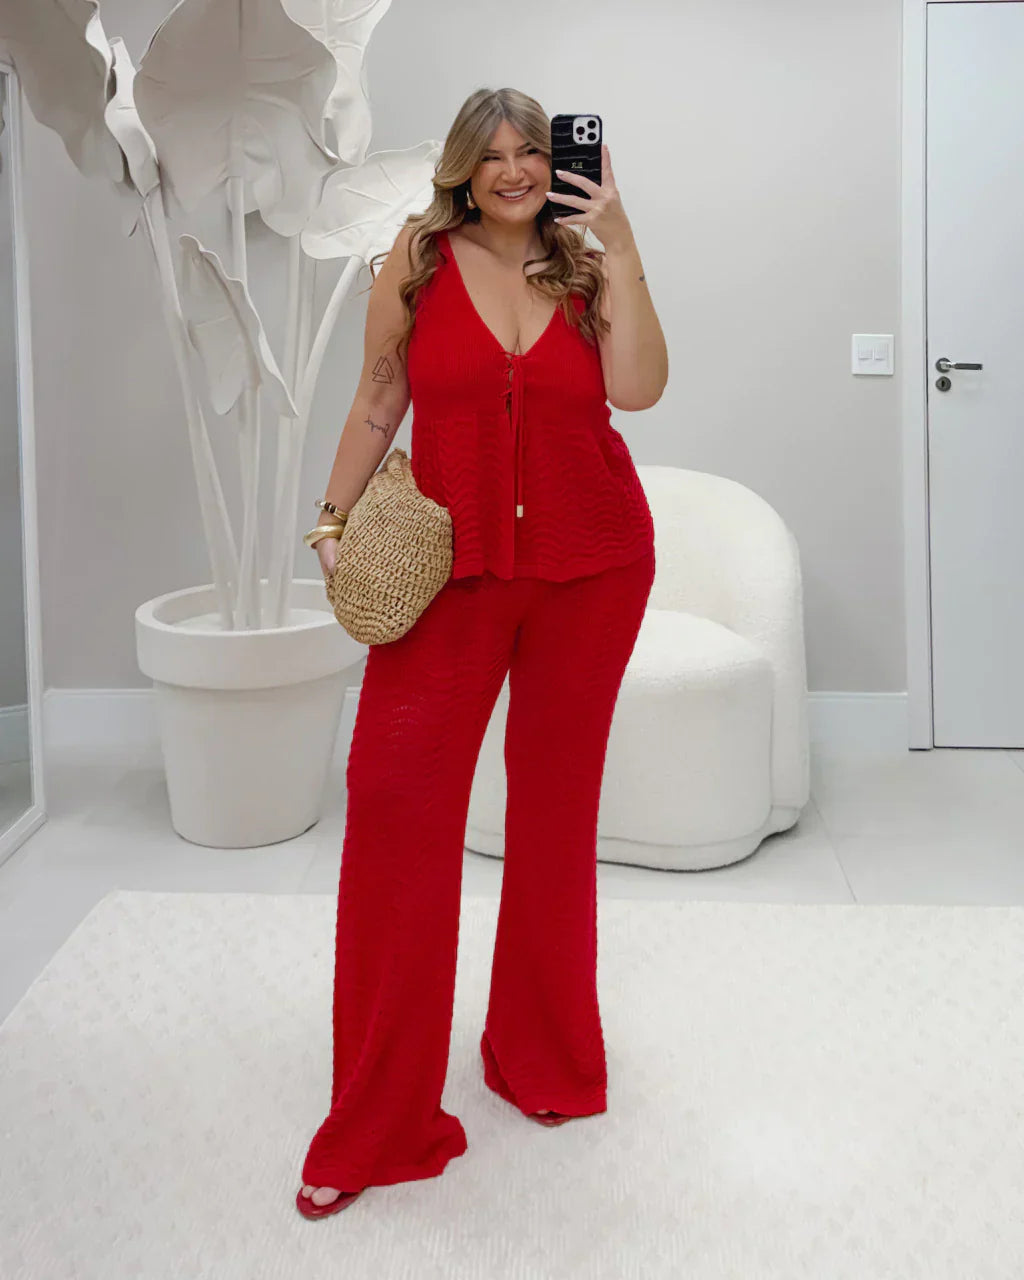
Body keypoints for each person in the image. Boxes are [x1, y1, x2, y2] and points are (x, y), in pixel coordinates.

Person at [296, 87, 668, 1219]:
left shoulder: (586, 270)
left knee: (554, 818)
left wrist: (621, 239)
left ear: (556, 165)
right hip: (448, 580)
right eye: (492, 153)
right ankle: (379, 1120)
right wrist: (330, 521)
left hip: (591, 569)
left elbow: (639, 390)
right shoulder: (415, 265)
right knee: (394, 812)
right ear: (462, 166)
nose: (513, 170)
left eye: (531, 152)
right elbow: (377, 401)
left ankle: (541, 1056)